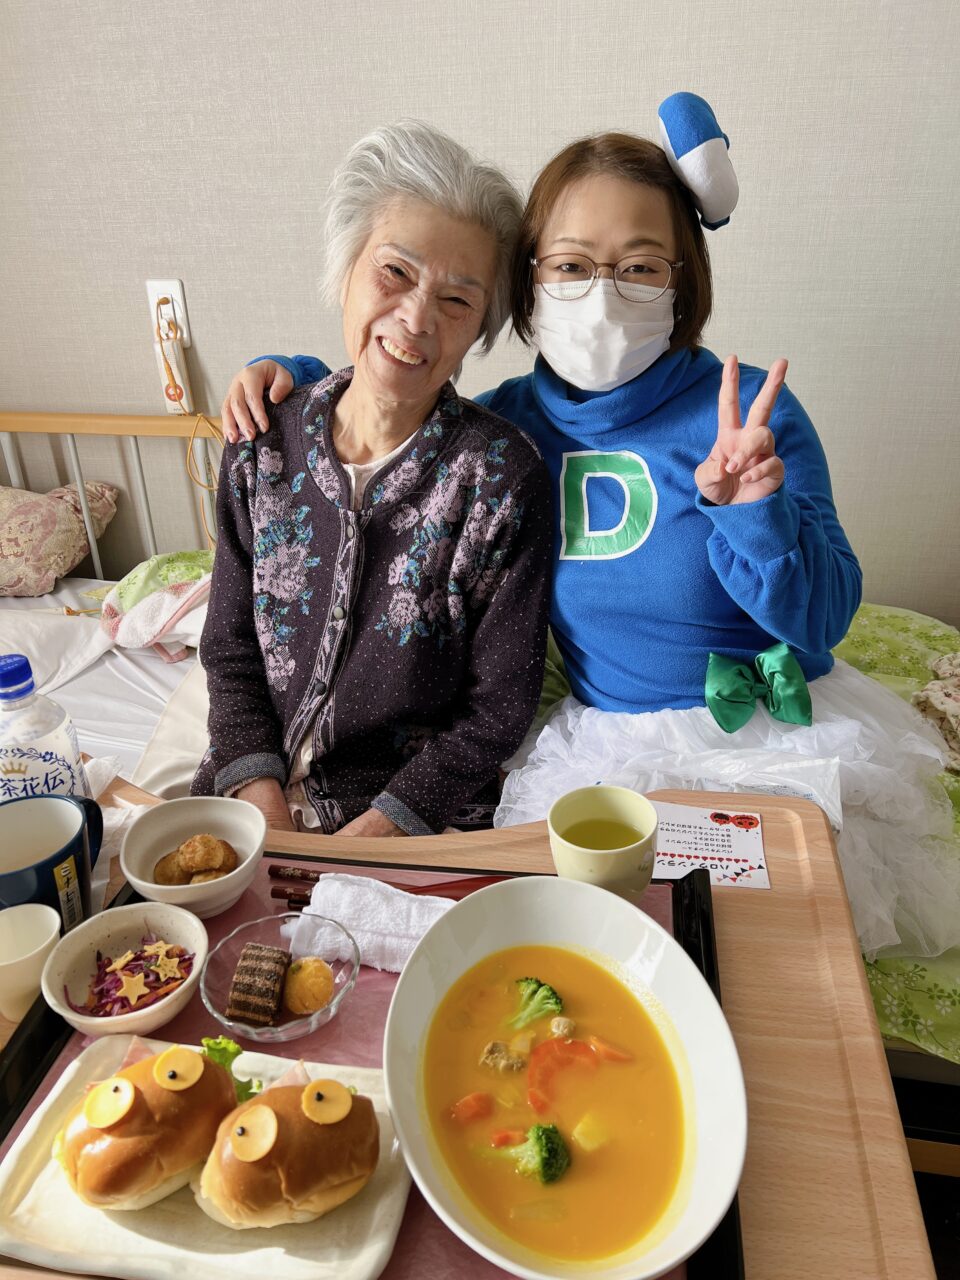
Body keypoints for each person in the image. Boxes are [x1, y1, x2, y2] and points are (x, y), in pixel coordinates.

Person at [217, 95, 958, 958]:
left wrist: (755, 512)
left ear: (683, 281)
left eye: (639, 267)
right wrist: (289, 375)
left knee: (752, 959)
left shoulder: (749, 412)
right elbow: (399, 387)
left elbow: (826, 620)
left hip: (760, 737)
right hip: (606, 744)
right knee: (586, 952)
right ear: (529, 283)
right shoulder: (509, 432)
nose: (603, 295)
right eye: (571, 265)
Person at [193, 120, 553, 838]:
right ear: (346, 270)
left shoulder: (503, 480)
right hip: (246, 793)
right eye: (395, 272)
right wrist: (264, 813)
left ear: (480, 327)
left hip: (412, 819)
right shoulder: (260, 444)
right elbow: (230, 650)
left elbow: (498, 711)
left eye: (457, 300)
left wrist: (372, 839)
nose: (416, 319)